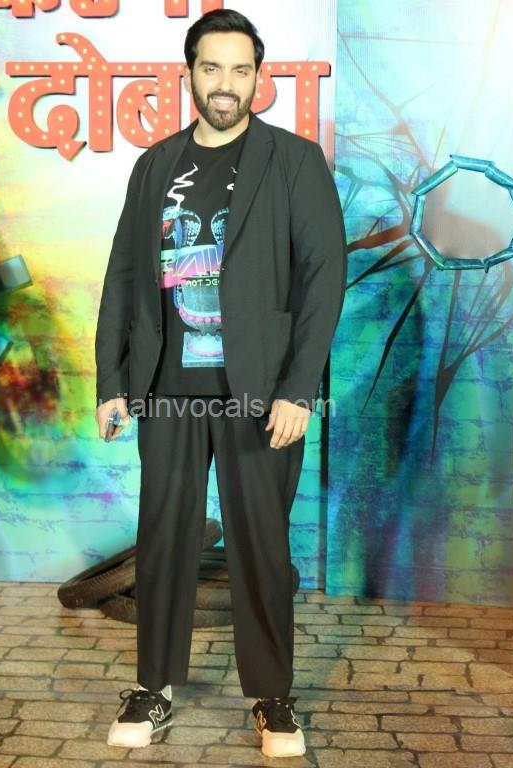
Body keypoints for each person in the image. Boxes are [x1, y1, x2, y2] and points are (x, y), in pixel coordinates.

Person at [94, 7, 346, 759]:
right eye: (212, 67)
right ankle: (154, 687)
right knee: (163, 540)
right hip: (168, 388)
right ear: (190, 75)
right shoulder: (154, 165)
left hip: (260, 392)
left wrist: (298, 389)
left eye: (241, 69)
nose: (226, 83)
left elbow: (324, 278)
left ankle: (272, 697)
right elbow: (124, 277)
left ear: (258, 77)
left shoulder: (294, 161)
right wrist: (112, 380)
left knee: (261, 546)